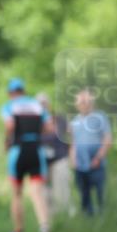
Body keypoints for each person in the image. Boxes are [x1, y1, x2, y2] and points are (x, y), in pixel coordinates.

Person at [1, 78, 54, 232]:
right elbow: (49, 128)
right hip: (36, 150)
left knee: (17, 193)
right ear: (23, 90)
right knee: (37, 193)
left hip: (18, 150)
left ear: (10, 93)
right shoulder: (37, 105)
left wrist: (6, 142)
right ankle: (44, 227)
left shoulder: (9, 106)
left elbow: (9, 126)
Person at [69, 88, 112, 216]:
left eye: (85, 101)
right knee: (83, 193)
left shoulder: (100, 117)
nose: (83, 104)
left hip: (96, 162)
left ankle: (103, 217)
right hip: (80, 164)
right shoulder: (75, 121)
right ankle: (87, 217)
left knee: (100, 193)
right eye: (80, 102)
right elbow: (73, 142)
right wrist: (73, 159)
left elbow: (107, 139)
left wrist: (98, 158)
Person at [37, 92, 71, 214]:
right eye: (40, 104)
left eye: (44, 103)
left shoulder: (59, 118)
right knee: (45, 192)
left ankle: (65, 216)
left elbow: (70, 134)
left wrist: (72, 153)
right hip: (43, 161)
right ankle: (50, 217)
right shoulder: (35, 121)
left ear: (49, 104)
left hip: (60, 158)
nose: (42, 106)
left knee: (62, 190)